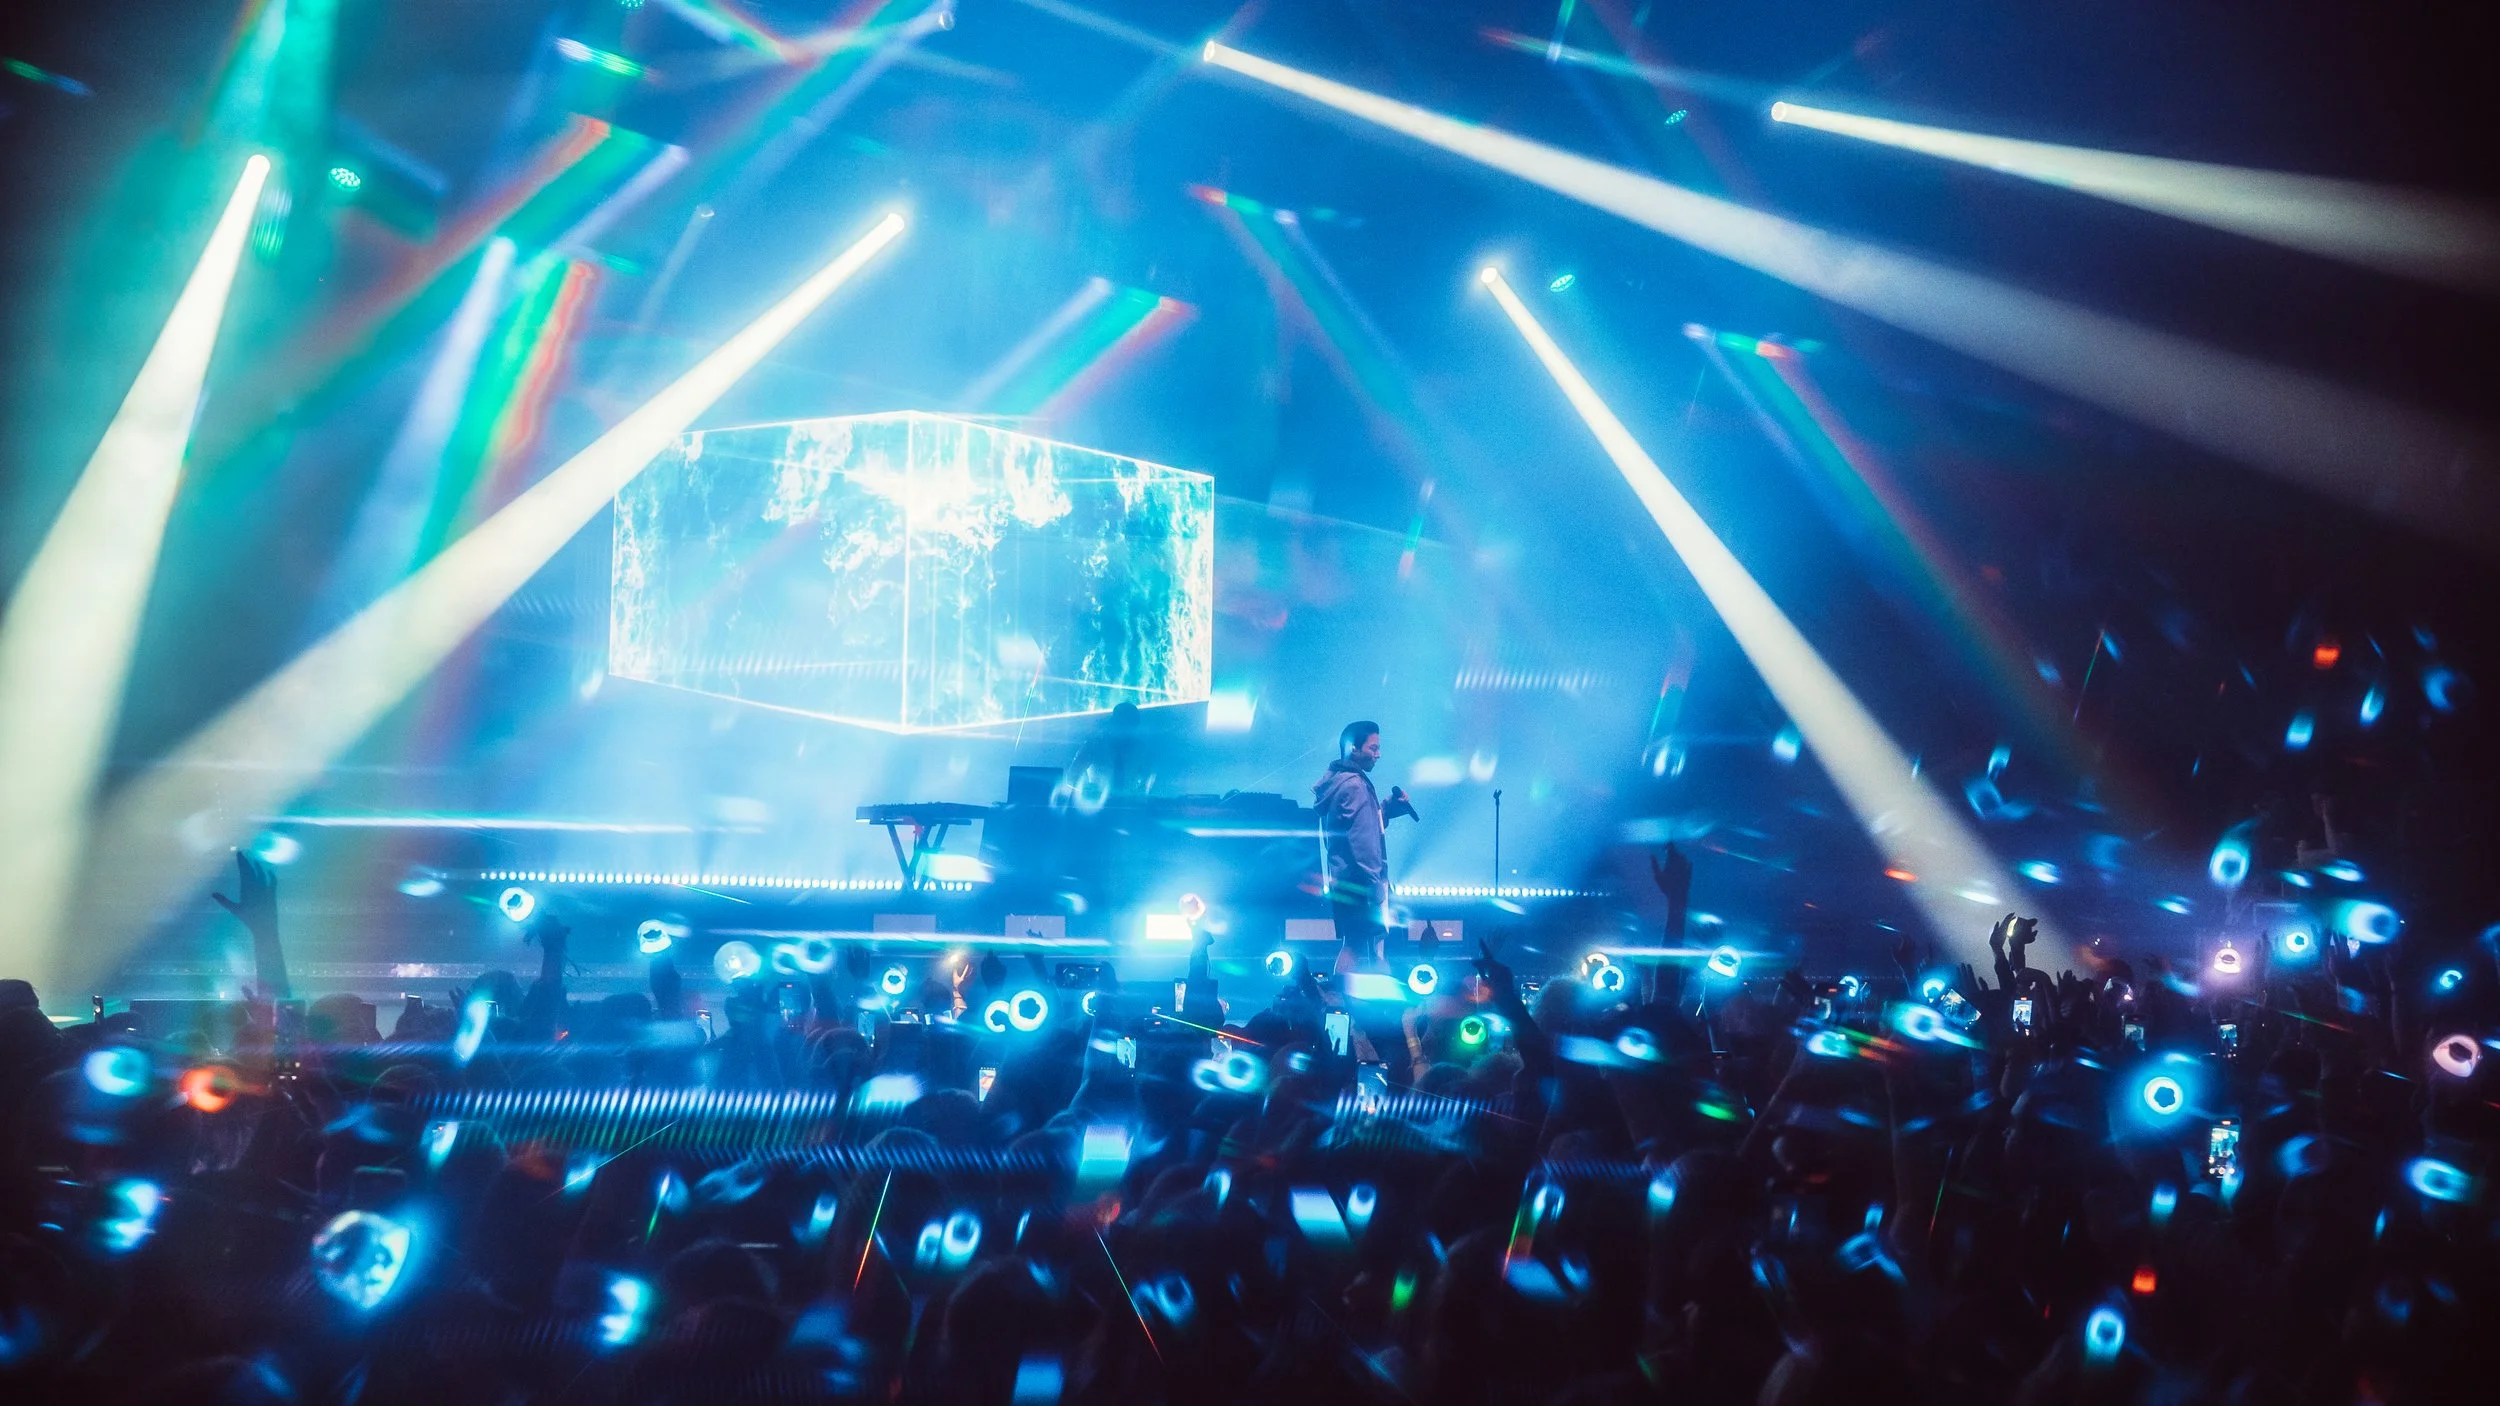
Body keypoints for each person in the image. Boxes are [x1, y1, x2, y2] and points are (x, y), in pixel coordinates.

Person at [1312, 720, 1416, 973]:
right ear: (1353, 749)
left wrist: (1389, 807)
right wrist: (1374, 883)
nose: (1378, 754)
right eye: (1373, 748)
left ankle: (1347, 1003)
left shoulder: (1342, 782)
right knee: (1360, 948)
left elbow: (1364, 823)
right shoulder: (1354, 785)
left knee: (1360, 946)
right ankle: (1347, 1002)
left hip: (1348, 880)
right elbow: (1362, 841)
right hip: (1361, 882)